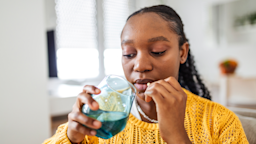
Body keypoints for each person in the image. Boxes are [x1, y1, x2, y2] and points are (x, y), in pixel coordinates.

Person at [43, 5, 248, 144]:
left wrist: (178, 137)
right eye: (129, 54)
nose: (140, 65)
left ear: (182, 52)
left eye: (158, 51)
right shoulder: (100, 119)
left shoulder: (221, 122)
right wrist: (72, 137)